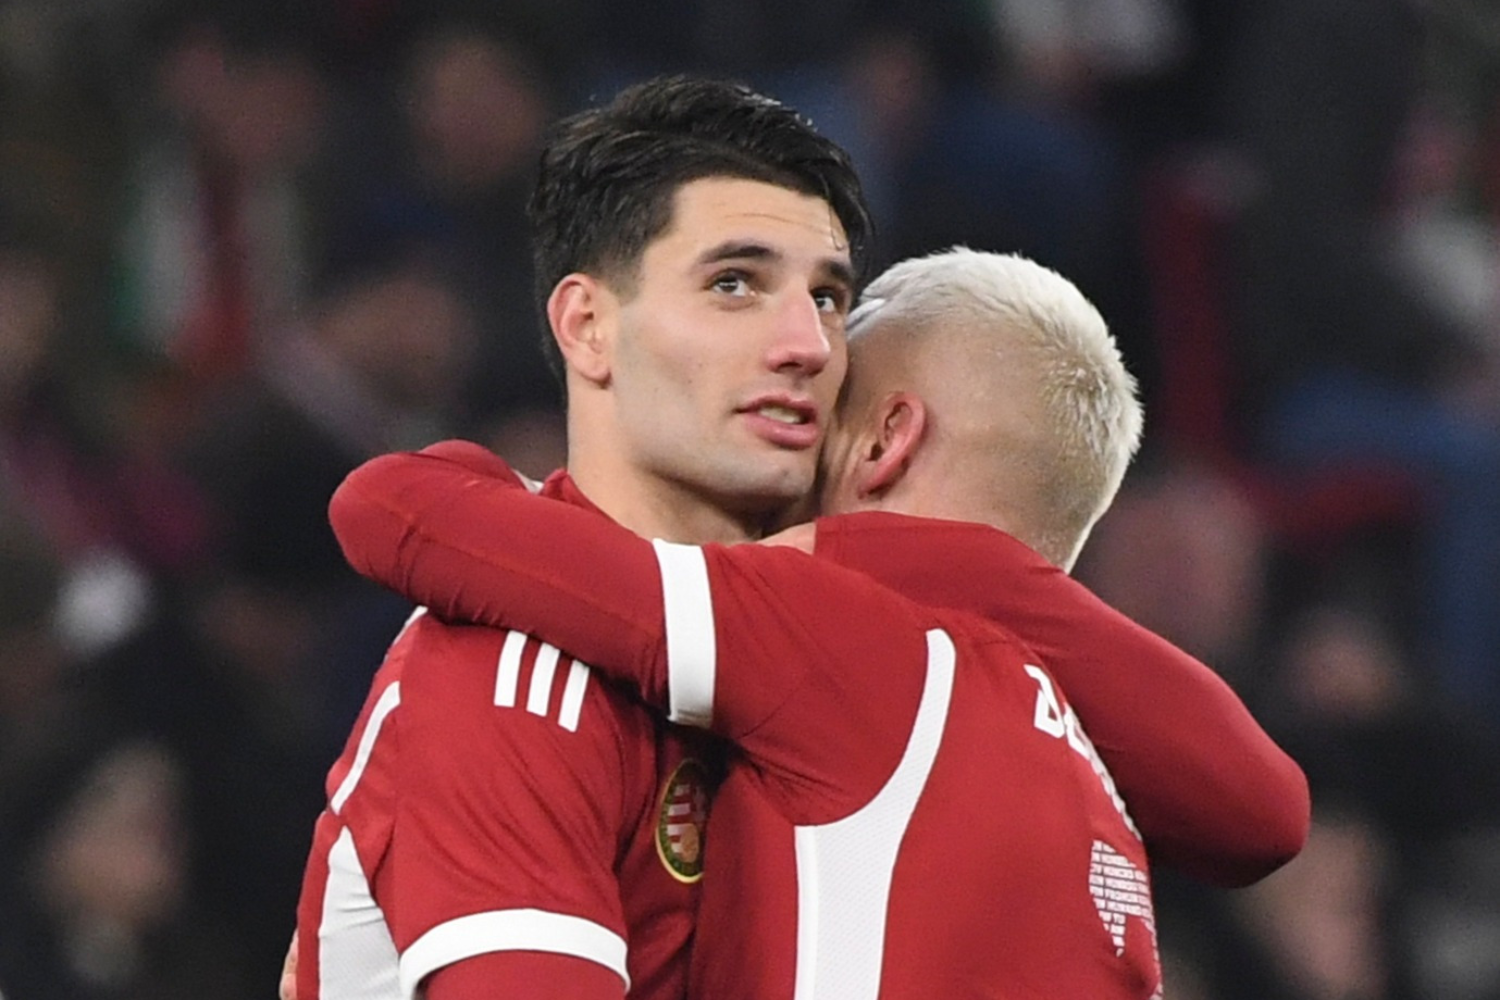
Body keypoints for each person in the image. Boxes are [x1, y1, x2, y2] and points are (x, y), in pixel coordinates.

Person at [324, 248, 1310, 997]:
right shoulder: (1099, 760)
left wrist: (502, 478)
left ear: (887, 440)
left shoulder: (837, 631)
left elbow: (394, 512)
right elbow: (1266, 811)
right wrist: (998, 576)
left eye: (818, 410)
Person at [292, 74, 873, 1000]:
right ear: (587, 326)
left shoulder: (819, 670)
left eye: (830, 298)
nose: (807, 343)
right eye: (734, 284)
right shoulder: (508, 676)